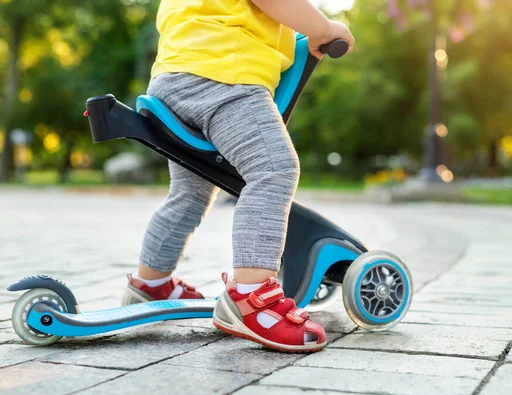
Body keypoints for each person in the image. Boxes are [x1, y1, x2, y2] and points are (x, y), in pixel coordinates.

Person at [121, 0, 355, 352]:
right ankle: (251, 300)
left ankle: (150, 284)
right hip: (223, 77)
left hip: (172, 82)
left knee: (191, 192)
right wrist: (324, 29)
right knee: (273, 169)